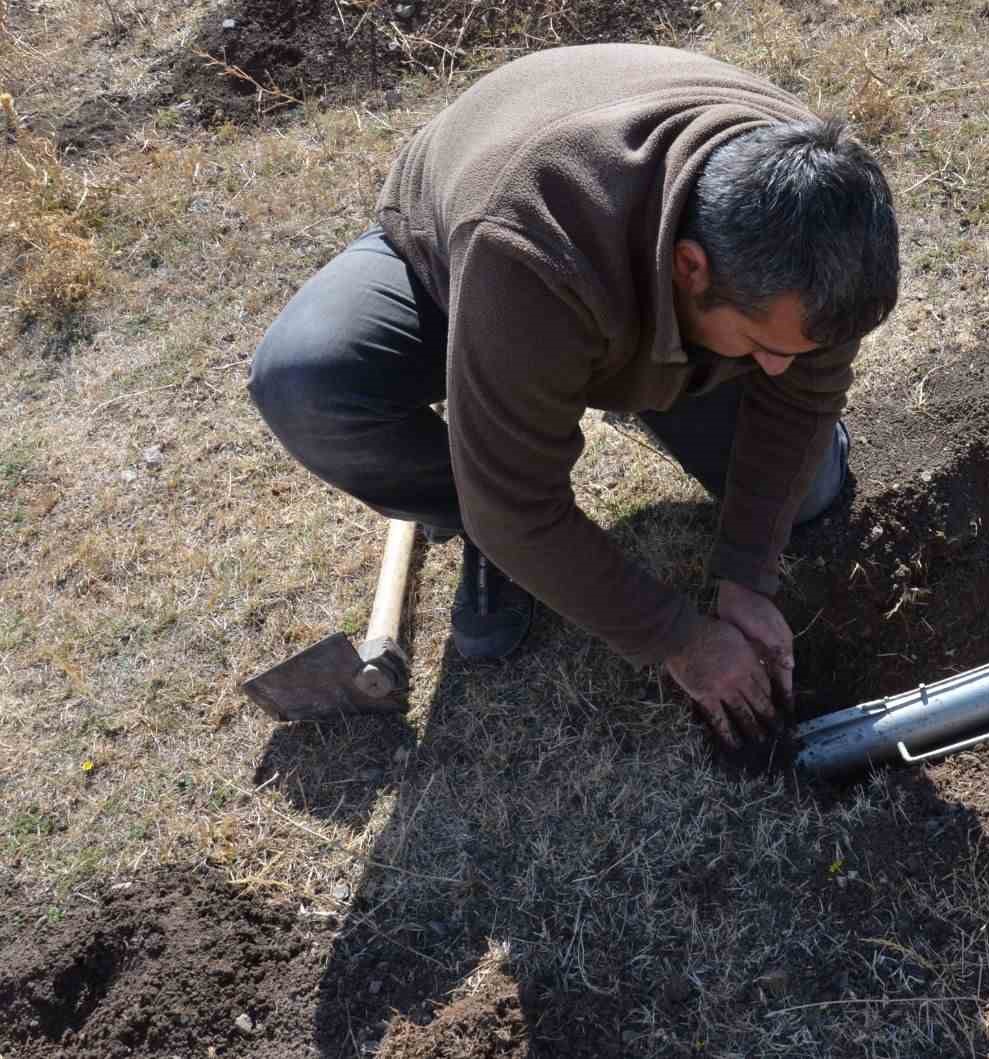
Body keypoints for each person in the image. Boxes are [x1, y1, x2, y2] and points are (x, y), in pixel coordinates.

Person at [246, 43, 900, 751]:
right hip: (467, 257)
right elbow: (519, 509)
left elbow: (803, 392)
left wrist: (747, 570)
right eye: (763, 344)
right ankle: (473, 508)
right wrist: (680, 638)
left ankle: (647, 387)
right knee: (306, 383)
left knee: (806, 495)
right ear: (690, 268)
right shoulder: (523, 246)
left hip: (637, 285)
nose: (778, 367)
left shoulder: (817, 226)